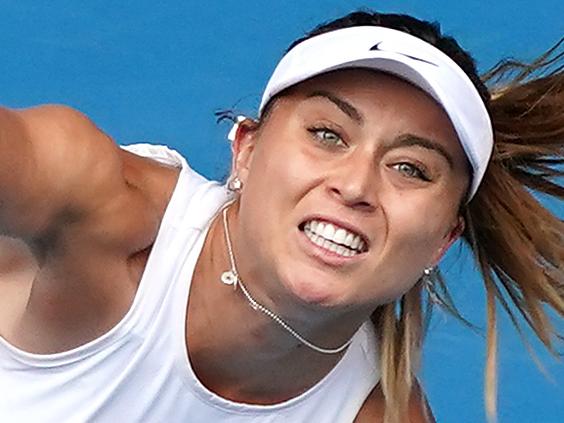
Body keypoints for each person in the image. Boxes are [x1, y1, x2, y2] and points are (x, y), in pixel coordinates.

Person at [0, 9, 562, 423]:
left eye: (411, 168)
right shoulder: (91, 199)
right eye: (326, 134)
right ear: (245, 149)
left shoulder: (377, 414)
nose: (355, 184)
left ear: (443, 240)